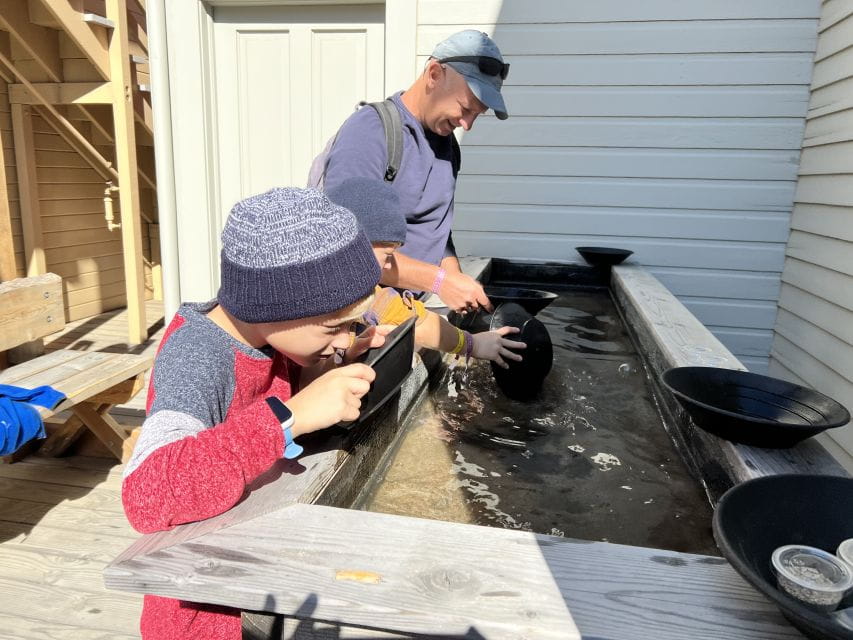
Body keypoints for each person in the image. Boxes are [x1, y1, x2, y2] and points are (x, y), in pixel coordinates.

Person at [122, 187, 386, 639]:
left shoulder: (270, 338)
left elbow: (277, 381)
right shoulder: (197, 356)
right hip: (207, 613)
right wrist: (288, 417)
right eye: (334, 326)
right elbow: (147, 496)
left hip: (257, 583)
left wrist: (332, 359)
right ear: (274, 307)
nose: (346, 337)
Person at [312, 30, 510, 314]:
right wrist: (441, 281)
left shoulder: (448, 146)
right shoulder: (370, 132)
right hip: (365, 319)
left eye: (477, 115)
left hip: (417, 309)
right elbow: (351, 251)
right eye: (465, 108)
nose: (467, 124)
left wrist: (454, 278)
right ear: (433, 74)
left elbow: (437, 230)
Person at [327, 176, 526, 367]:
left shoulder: (374, 299)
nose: (389, 266)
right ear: (353, 244)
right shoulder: (310, 299)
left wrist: (472, 344)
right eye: (388, 254)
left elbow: (421, 323)